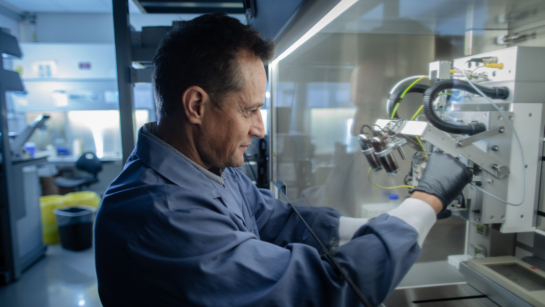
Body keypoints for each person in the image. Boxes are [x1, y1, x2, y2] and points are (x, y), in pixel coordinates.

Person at [95, 12, 472, 306]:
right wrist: (425, 201)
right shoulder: (161, 216)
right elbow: (325, 292)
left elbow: (276, 219)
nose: (260, 129)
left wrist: (370, 227)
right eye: (249, 110)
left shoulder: (208, 166)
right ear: (196, 105)